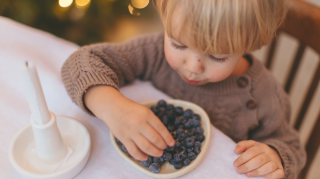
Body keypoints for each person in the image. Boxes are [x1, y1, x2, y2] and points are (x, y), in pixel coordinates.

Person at [61, 0, 306, 178]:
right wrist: (112, 107)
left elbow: (292, 147)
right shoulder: (153, 53)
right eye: (178, 44)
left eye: (217, 57)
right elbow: (79, 63)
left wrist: (275, 156)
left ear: (250, 43)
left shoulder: (262, 95)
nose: (192, 67)